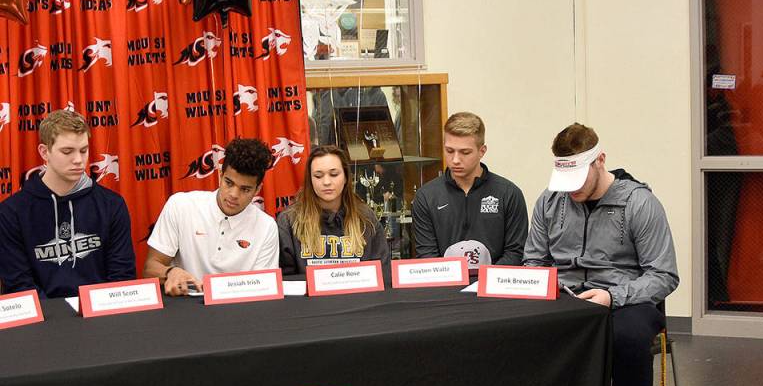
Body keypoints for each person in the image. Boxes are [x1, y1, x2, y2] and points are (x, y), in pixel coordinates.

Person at [524, 123, 679, 386]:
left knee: (629, 340)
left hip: (624, 298)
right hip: (567, 297)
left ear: (600, 161)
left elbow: (663, 275)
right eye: (565, 180)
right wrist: (551, 287)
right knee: (522, 332)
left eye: (578, 178)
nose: (571, 189)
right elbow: (533, 261)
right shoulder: (550, 201)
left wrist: (613, 296)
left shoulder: (639, 203)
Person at [0, 110, 134, 298]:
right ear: (44, 152)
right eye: (67, 151)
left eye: (83, 150)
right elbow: (19, 285)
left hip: (102, 311)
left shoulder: (112, 204)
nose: (78, 160)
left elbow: (122, 276)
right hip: (43, 314)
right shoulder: (11, 212)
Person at [143, 138, 279, 295]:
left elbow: (263, 289)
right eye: (229, 183)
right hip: (186, 304)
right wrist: (170, 272)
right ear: (220, 175)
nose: (234, 194)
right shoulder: (180, 206)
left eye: (245, 189)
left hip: (240, 306)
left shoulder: (267, 227)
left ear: (257, 189)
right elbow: (149, 268)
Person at [412, 112, 528, 268]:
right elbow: (427, 255)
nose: (455, 160)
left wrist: (486, 279)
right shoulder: (426, 196)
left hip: (494, 281)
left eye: (465, 152)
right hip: (445, 281)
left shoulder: (509, 194)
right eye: (449, 151)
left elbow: (515, 252)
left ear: (482, 151)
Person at [277, 144, 389, 274]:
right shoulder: (289, 220)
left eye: (334, 174)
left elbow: (382, 272)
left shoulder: (365, 217)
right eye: (318, 176)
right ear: (310, 180)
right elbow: (285, 279)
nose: (326, 182)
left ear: (346, 177)